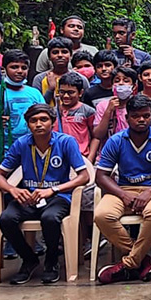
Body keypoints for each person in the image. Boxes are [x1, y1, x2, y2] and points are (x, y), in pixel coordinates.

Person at [0, 104, 89, 284]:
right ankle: (29, 260)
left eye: (43, 120)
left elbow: (84, 176)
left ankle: (51, 261)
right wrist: (13, 189)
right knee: (6, 219)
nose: (38, 124)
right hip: (29, 198)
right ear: (28, 125)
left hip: (58, 197)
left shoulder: (66, 142)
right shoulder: (21, 143)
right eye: (33, 121)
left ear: (53, 123)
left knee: (50, 218)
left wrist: (53, 189)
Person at [93, 94, 151, 284]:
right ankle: (141, 259)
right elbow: (100, 176)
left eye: (145, 115)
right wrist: (122, 193)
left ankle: (129, 263)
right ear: (127, 118)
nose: (141, 120)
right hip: (123, 189)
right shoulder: (116, 141)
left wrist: (150, 192)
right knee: (102, 215)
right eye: (136, 116)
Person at [54, 72, 99, 254]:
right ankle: (61, 238)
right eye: (62, 92)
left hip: (82, 160)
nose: (66, 96)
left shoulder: (87, 111)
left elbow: (95, 136)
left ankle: (88, 237)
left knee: (86, 201)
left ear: (80, 93)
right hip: (59, 162)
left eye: (70, 92)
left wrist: (90, 159)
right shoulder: (53, 111)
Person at [0, 49, 46, 165]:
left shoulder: (35, 93)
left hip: (33, 152)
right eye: (14, 67)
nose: (19, 71)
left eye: (24, 68)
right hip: (4, 154)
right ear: (3, 70)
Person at [93, 66, 137, 145]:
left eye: (126, 81)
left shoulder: (137, 106)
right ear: (112, 85)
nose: (121, 83)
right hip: (108, 151)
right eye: (117, 80)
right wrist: (108, 111)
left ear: (134, 86)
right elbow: (98, 135)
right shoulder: (102, 105)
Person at [32, 37, 73, 106]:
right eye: (55, 52)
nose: (60, 55)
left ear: (71, 55)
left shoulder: (80, 78)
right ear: (49, 57)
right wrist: (51, 89)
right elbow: (37, 106)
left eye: (64, 52)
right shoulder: (40, 79)